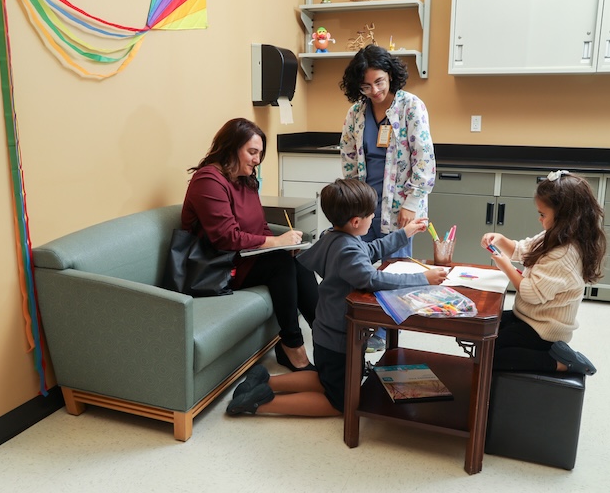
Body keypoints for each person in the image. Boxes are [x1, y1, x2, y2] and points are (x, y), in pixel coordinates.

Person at [225, 178, 448, 416]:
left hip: (327, 333)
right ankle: (259, 403)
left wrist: (404, 233)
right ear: (355, 222)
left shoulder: (336, 237)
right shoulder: (348, 250)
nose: (373, 218)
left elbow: (371, 250)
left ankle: (266, 381)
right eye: (371, 216)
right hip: (338, 339)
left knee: (326, 378)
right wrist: (423, 279)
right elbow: (372, 279)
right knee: (340, 402)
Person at [181, 118, 318, 371]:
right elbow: (226, 237)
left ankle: (326, 338)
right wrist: (275, 242)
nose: (257, 160)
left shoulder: (245, 179)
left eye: (260, 154)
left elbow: (258, 226)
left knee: (297, 259)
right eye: (252, 152)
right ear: (231, 148)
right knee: (280, 264)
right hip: (216, 267)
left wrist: (284, 244)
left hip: (242, 258)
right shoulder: (208, 181)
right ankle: (292, 347)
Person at [339, 44, 437, 353]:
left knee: (394, 267)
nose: (375, 90)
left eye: (379, 81)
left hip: (401, 205)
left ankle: (387, 329)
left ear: (390, 76)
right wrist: (352, 202)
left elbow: (425, 160)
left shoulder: (410, 106)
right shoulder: (356, 112)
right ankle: (363, 323)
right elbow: (349, 157)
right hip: (364, 203)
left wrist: (412, 203)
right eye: (366, 85)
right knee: (362, 262)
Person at [480, 170, 606, 375]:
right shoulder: (553, 235)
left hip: (545, 331)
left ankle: (560, 363)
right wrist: (501, 240)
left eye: (542, 214)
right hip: (529, 317)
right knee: (486, 332)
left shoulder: (564, 254)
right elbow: (521, 249)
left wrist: (506, 267)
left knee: (492, 355)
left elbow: (530, 293)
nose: (539, 219)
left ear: (565, 217)